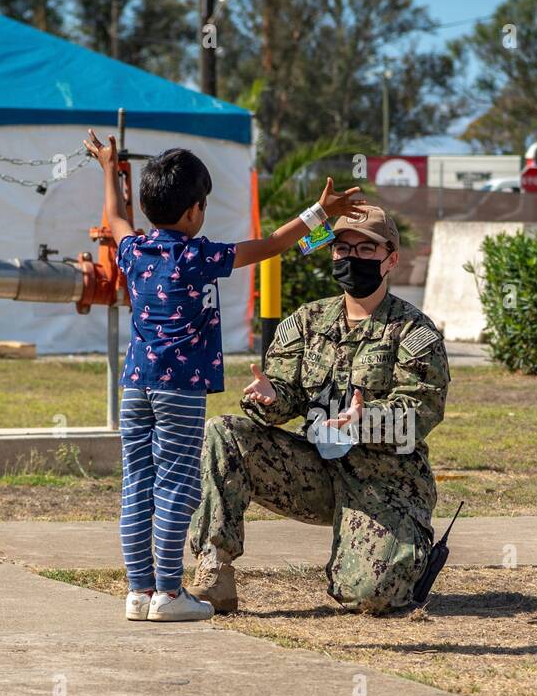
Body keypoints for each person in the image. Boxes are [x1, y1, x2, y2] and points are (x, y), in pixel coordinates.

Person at [83, 130, 364, 622]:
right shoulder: (199, 256)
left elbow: (116, 219)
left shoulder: (134, 252)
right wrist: (321, 213)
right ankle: (169, 594)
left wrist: (109, 168)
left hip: (134, 386)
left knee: (137, 484)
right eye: (205, 204)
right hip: (180, 390)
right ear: (194, 210)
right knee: (176, 485)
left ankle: (138, 591)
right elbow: (274, 244)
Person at [189, 205, 451, 615]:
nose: (352, 258)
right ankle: (214, 571)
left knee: (371, 598)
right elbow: (285, 394)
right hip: (314, 471)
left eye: (367, 249)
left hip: (383, 482)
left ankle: (406, 551)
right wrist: (269, 397)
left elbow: (421, 413)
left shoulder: (413, 331)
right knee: (222, 432)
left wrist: (366, 420)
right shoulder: (307, 321)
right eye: (343, 248)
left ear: (391, 260)